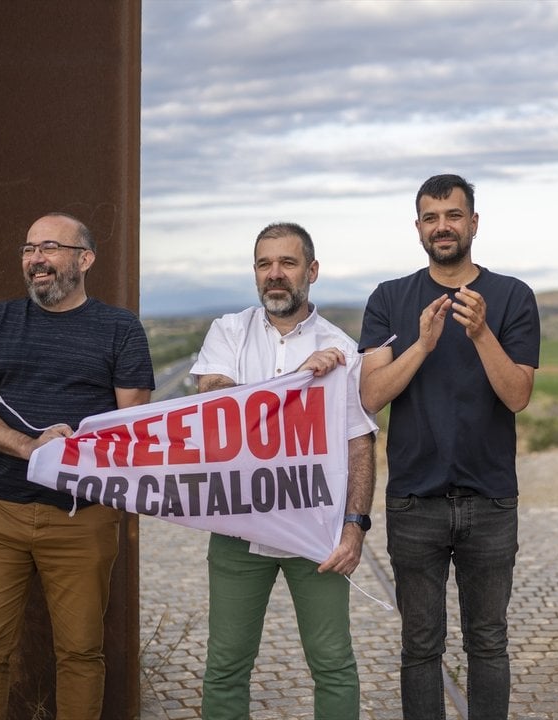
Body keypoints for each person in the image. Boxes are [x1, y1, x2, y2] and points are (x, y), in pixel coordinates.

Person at [0, 212, 154, 719]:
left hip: (82, 518)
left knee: (82, 654)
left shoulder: (120, 328)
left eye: (48, 247)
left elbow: (134, 426)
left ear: (84, 259)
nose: (35, 259)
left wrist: (76, 453)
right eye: (27, 249)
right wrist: (32, 448)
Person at [358, 173, 540, 719]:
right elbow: (371, 395)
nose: (443, 227)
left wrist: (482, 333)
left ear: (473, 223)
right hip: (415, 501)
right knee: (420, 648)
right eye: (431, 218)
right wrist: (424, 344)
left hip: (490, 501)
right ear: (418, 228)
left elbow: (518, 396)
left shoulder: (511, 297)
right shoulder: (389, 299)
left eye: (454, 215)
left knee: (488, 644)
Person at [191, 222, 378, 720]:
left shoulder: (340, 346)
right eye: (264, 264)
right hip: (237, 525)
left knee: (333, 663)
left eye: (287, 263)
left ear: (311, 272)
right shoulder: (228, 331)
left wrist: (355, 527)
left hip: (315, 531)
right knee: (226, 664)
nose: (275, 274)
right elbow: (216, 402)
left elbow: (359, 442)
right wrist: (299, 382)